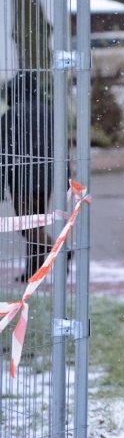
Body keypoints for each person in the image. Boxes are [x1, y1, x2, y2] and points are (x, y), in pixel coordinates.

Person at [0, 71, 54, 282]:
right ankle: (33, 271)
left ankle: (56, 249)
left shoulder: (10, 116)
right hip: (47, 178)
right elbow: (61, 149)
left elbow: (3, 154)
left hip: (22, 180)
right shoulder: (50, 113)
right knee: (35, 224)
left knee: (26, 226)